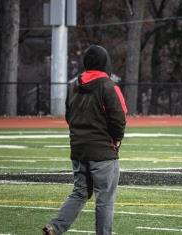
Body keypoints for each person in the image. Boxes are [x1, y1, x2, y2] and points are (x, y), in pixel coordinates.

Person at [43, 45, 127, 235]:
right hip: (103, 153)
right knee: (104, 198)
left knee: (80, 192)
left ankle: (55, 227)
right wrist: (116, 139)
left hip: (78, 149)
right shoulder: (109, 86)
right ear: (105, 62)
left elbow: (68, 115)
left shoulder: (73, 86)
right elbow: (119, 119)